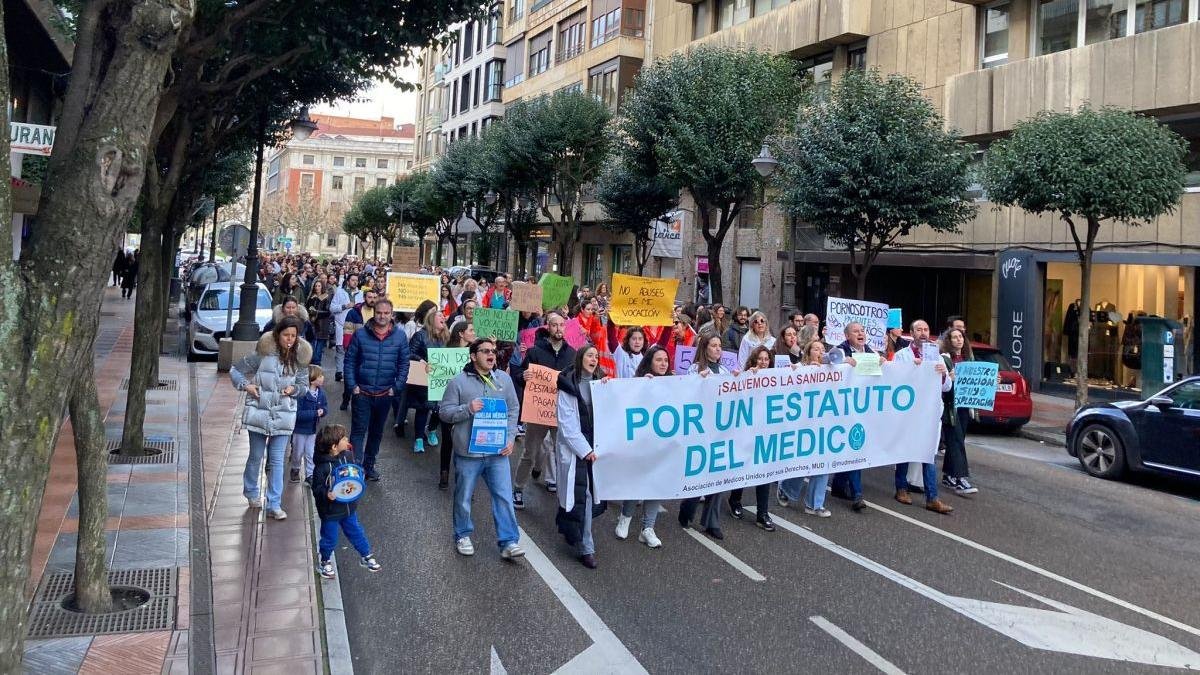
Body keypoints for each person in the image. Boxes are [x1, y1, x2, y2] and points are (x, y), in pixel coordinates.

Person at [439, 338, 525, 560]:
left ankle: (509, 542)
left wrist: (509, 437)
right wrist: (467, 408)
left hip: (497, 453)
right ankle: (462, 534)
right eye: (485, 351)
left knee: (504, 496)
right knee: (464, 496)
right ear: (473, 355)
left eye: (493, 351)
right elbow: (444, 412)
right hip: (469, 453)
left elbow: (513, 409)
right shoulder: (458, 382)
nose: (491, 355)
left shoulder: (504, 380)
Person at [229, 316, 311, 520]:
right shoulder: (262, 355)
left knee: (276, 461)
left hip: (284, 416)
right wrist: (246, 385)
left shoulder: (300, 360)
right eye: (286, 335)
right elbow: (236, 370)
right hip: (259, 412)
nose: (289, 340)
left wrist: (294, 389)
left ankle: (274, 503)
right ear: (277, 335)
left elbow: (304, 387)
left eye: (293, 336)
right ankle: (251, 492)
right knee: (256, 457)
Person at [890, 319, 955, 514]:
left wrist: (944, 374)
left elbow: (946, 387)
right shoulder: (902, 356)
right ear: (911, 333)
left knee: (928, 454)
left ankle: (932, 497)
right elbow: (895, 381)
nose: (923, 333)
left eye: (926, 329)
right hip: (909, 413)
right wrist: (913, 367)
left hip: (930, 412)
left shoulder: (938, 357)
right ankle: (901, 488)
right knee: (905, 450)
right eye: (919, 329)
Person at [512, 311, 575, 508]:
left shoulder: (572, 354)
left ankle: (560, 487)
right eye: (555, 325)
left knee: (561, 452)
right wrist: (524, 377)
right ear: (548, 327)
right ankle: (518, 488)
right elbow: (520, 374)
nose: (559, 329)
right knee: (530, 452)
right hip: (538, 412)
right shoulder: (535, 352)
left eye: (562, 325)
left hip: (560, 413)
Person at [555, 345, 608, 568]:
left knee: (587, 496)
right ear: (580, 358)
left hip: (597, 448)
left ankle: (569, 527)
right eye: (589, 355)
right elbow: (567, 425)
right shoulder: (568, 385)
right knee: (583, 495)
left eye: (596, 356)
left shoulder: (602, 384)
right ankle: (587, 547)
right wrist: (585, 450)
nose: (594, 359)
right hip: (578, 450)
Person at [345, 298, 410, 482]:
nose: (382, 316)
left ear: (392, 315)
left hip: (385, 394)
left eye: (386, 313)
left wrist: (397, 387)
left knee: (376, 432)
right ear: (374, 313)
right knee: (358, 432)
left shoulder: (400, 336)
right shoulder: (360, 334)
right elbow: (349, 361)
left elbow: (404, 364)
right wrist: (352, 386)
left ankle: (369, 466)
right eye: (379, 312)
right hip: (362, 393)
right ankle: (356, 469)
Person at [613, 346, 672, 549]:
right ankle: (626, 517)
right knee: (637, 481)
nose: (663, 363)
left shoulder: (676, 384)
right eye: (658, 360)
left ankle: (647, 528)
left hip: (663, 445)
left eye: (666, 360)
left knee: (657, 483)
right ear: (649, 362)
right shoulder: (638, 382)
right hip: (641, 444)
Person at [679, 333, 735, 539]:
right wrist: (697, 382)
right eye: (713, 345)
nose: (718, 349)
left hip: (720, 429)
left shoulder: (725, 371)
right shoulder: (695, 370)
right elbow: (686, 394)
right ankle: (688, 507)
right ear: (705, 348)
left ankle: (712, 522)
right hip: (700, 430)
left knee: (718, 476)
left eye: (720, 346)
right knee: (700, 474)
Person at [311, 424, 381, 578]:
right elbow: (316, 488)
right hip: (330, 512)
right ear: (334, 446)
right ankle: (324, 561)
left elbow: (355, 468)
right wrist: (326, 494)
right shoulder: (322, 468)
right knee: (330, 537)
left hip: (348, 507)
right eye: (343, 438)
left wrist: (360, 474)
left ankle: (366, 555)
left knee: (356, 532)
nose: (347, 439)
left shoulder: (347, 455)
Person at [778, 339, 835, 516]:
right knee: (802, 462)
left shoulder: (834, 369)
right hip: (804, 423)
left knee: (823, 462)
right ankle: (786, 488)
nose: (819, 351)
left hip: (825, 422)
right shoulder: (799, 369)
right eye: (816, 349)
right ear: (808, 352)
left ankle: (815, 504)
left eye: (822, 349)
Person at [727, 346, 777, 531]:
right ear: (753, 360)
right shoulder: (747, 376)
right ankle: (735, 499)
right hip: (746, 432)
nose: (764, 362)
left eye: (766, 359)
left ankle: (762, 513)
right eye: (760, 359)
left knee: (764, 471)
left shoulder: (778, 379)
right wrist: (749, 376)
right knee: (743, 467)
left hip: (766, 432)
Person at [830, 322, 875, 512]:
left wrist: (881, 362)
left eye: (862, 331)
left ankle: (839, 486)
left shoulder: (870, 352)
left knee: (854, 447)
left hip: (862, 408)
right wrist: (841, 362)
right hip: (843, 408)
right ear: (847, 336)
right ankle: (857, 494)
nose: (860, 334)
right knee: (854, 448)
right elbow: (826, 362)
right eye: (856, 331)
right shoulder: (839, 351)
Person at [436, 321, 477, 490]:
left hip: (469, 403)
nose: (474, 333)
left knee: (467, 440)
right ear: (461, 333)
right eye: (471, 330)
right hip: (450, 403)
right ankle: (444, 472)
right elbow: (438, 376)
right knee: (448, 440)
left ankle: (465, 480)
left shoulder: (475, 354)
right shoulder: (447, 352)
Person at [940, 327, 979, 496]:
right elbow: (939, 383)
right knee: (956, 441)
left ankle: (949, 475)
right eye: (954, 337)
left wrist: (993, 380)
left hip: (964, 407)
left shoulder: (969, 359)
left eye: (961, 337)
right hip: (950, 407)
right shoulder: (944, 359)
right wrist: (949, 377)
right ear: (949, 341)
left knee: (958, 440)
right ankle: (960, 478)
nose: (958, 340)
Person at [404, 309, 448, 456]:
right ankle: (418, 439)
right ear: (431, 319)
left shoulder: (446, 337)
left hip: (441, 378)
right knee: (424, 407)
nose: (443, 317)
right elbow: (409, 353)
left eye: (443, 316)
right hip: (425, 378)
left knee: (439, 408)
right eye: (440, 315)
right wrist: (421, 361)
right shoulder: (420, 335)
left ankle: (432, 430)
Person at [340, 289, 379, 410]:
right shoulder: (354, 312)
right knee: (349, 379)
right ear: (364, 298)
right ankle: (346, 398)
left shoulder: (378, 313)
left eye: (374, 297)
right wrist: (347, 347)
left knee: (362, 379)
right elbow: (348, 330)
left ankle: (359, 403)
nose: (372, 299)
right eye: (369, 297)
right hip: (355, 350)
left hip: (370, 352)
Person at [291, 366, 328, 484]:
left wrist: (323, 411)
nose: (323, 378)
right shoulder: (302, 394)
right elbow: (297, 414)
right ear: (312, 379)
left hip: (312, 430)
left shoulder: (321, 393)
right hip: (300, 430)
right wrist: (315, 413)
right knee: (298, 451)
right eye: (320, 376)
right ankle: (295, 468)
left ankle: (310, 474)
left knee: (310, 453)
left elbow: (325, 406)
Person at [330, 273, 359, 382]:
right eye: (353, 280)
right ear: (348, 281)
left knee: (352, 350)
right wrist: (344, 306)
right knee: (341, 349)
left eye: (356, 280)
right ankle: (339, 372)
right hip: (341, 324)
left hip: (355, 327)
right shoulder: (340, 292)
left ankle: (349, 373)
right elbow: (332, 308)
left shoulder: (360, 294)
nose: (355, 282)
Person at [305, 281, 332, 367]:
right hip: (312, 324)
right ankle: (313, 365)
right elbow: (307, 309)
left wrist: (316, 312)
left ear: (322, 287)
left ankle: (317, 366)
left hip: (322, 325)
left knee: (319, 348)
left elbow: (328, 312)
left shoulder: (326, 298)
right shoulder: (311, 298)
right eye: (316, 286)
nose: (317, 288)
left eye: (319, 286)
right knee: (312, 347)